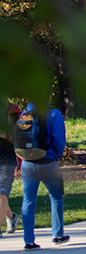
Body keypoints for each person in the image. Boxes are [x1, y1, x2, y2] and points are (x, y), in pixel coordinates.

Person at [17, 100, 69, 249]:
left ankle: (28, 240)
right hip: (48, 162)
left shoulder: (24, 114)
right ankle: (57, 235)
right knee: (56, 197)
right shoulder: (54, 114)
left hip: (28, 163)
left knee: (28, 200)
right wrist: (56, 156)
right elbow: (59, 140)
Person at [0, 102, 21, 238]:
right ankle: (11, 217)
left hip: (7, 158)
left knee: (2, 193)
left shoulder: (12, 111)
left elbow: (13, 136)